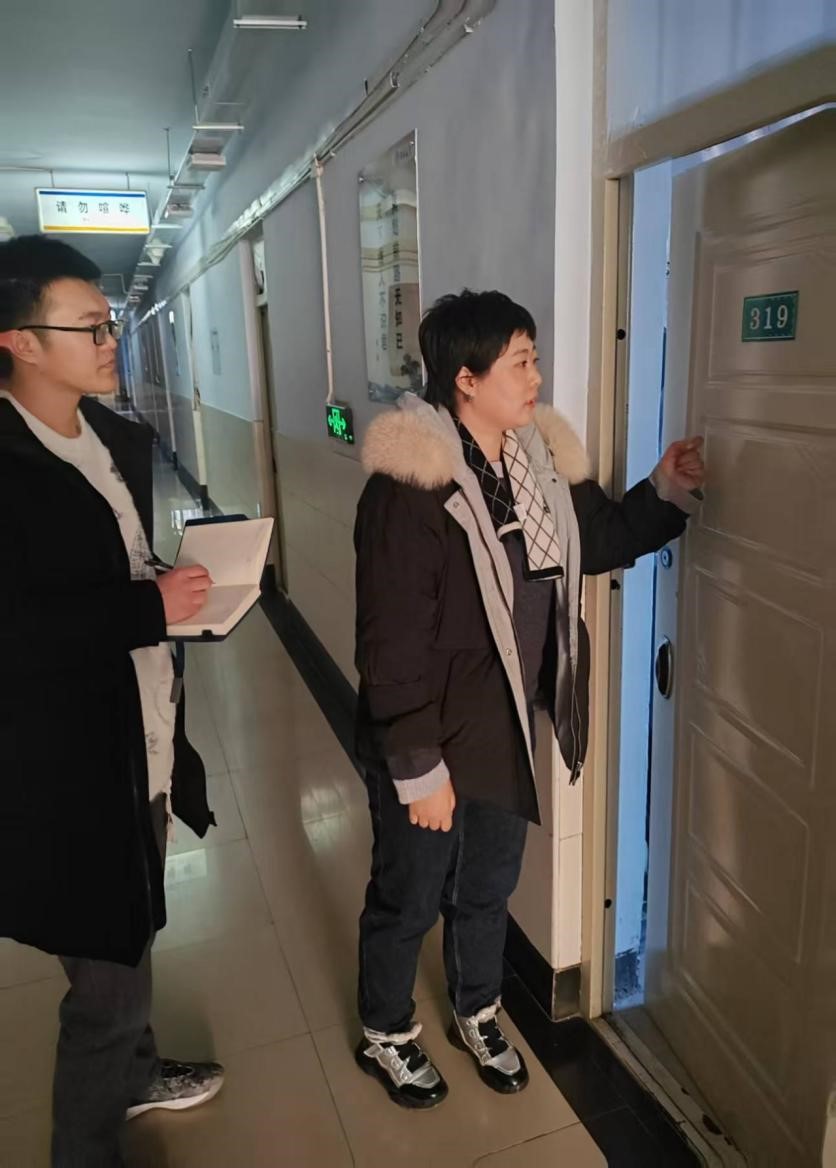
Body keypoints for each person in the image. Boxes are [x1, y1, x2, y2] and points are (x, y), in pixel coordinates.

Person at [353, 289, 704, 1108]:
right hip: (429, 731)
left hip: (503, 719)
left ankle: (477, 1010)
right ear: (466, 379)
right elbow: (391, 643)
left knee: (488, 884)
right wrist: (418, 767)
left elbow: (597, 539)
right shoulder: (411, 488)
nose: (536, 376)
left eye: (534, 358)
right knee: (409, 893)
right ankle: (386, 1032)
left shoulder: (535, 461)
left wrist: (662, 487)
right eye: (520, 362)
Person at [0, 235, 224, 1167]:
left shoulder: (113, 440)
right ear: (19, 341)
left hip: (145, 739)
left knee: (134, 934)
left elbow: (117, 570)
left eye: (110, 323)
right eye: (88, 327)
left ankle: (136, 1075)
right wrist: (145, 607)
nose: (109, 342)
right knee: (106, 993)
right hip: (67, 777)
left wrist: (177, 587)